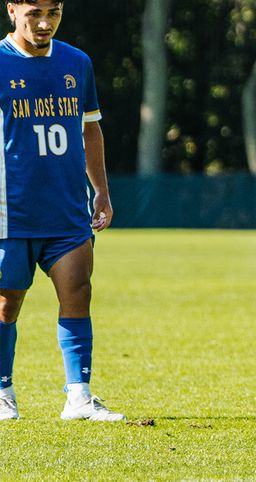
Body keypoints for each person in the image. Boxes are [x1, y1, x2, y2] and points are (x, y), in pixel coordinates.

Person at [0, 0, 123, 421]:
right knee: (6, 304)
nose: (44, 22)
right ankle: (2, 391)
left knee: (78, 294)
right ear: (12, 10)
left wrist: (101, 191)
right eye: (34, 12)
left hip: (67, 208)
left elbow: (90, 129)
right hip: (9, 212)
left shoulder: (77, 62)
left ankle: (79, 396)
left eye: (53, 12)